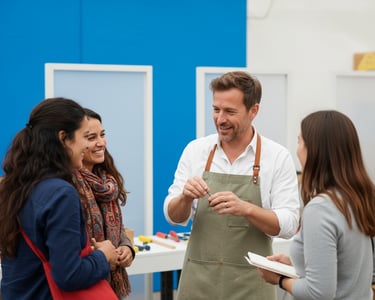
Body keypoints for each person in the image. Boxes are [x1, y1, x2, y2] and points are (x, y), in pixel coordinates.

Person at [163, 71, 300, 300]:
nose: (220, 119)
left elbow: (288, 224)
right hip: (198, 282)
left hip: (252, 283)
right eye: (216, 110)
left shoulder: (277, 157)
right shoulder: (196, 151)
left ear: (253, 111)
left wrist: (246, 209)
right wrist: (185, 198)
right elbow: (173, 216)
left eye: (230, 111)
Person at [0, 98, 119, 299]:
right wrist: (103, 256)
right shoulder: (61, 193)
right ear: (63, 138)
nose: (87, 145)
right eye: (85, 136)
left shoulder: (16, 185)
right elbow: (69, 275)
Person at [258, 110, 375, 300]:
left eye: (299, 141)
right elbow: (347, 271)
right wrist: (299, 267)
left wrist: (279, 279)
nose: (297, 150)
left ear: (315, 149)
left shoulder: (320, 209)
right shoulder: (360, 198)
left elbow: (318, 293)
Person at [72, 108, 134, 299]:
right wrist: (102, 254)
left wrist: (127, 248)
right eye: (91, 137)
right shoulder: (67, 184)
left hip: (109, 286)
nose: (101, 143)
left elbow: (118, 228)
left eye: (102, 134)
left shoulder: (107, 181)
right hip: (83, 285)